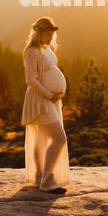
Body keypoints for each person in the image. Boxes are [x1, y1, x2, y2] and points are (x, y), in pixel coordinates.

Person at [21, 16, 70, 193]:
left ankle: (39, 176)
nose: (50, 37)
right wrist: (50, 95)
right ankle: (48, 180)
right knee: (59, 138)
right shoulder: (32, 52)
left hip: (50, 100)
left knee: (42, 138)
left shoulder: (46, 49)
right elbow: (31, 80)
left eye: (52, 34)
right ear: (38, 33)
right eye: (47, 34)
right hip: (40, 100)